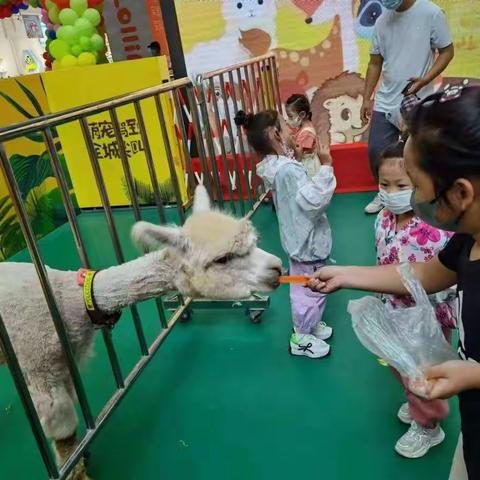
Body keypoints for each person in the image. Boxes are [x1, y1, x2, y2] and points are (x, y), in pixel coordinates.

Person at [308, 86, 480, 478]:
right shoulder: (467, 242)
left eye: (415, 186)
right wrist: (347, 275)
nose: (410, 198)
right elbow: (420, 274)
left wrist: (472, 374)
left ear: (460, 193)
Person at [375, 140, 456, 458]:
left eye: (401, 185)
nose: (391, 191)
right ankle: (416, 400)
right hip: (392, 310)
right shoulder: (383, 218)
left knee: (424, 372)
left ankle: (428, 427)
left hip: (427, 319)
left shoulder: (436, 228)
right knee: (399, 365)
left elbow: (447, 274)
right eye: (384, 184)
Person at [234, 109, 336, 359]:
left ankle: (308, 324)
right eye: (286, 126)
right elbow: (312, 202)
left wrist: (299, 162)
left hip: (298, 238)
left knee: (309, 285)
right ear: (274, 133)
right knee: (308, 289)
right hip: (306, 241)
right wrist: (327, 166)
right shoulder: (288, 170)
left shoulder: (279, 166)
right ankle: (301, 336)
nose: (293, 131)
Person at [362, 0, 454, 214]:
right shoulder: (382, 21)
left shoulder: (431, 13)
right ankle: (386, 193)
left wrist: (426, 78)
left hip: (418, 99)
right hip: (386, 100)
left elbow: (447, 51)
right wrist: (367, 97)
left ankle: (421, 196)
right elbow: (374, 63)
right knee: (376, 152)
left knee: (419, 154)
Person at [285, 94, 321, 178]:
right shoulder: (302, 128)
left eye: (290, 116)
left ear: (302, 115)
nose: (287, 120)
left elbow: (299, 153)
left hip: (308, 167)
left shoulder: (307, 132)